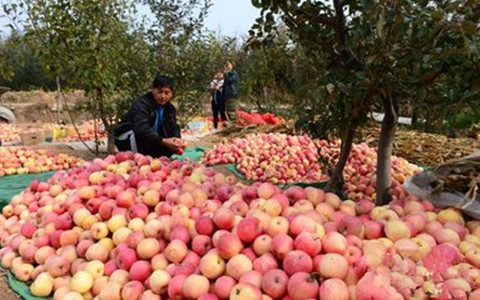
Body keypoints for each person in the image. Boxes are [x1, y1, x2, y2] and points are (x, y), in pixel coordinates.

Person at [114, 75, 183, 158]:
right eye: (160, 92)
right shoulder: (142, 104)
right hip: (129, 137)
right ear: (153, 90)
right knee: (139, 159)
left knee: (165, 148)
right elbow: (141, 128)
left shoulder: (169, 108)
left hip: (150, 139)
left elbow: (173, 126)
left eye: (167, 93)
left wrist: (177, 141)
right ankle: (137, 158)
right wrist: (163, 141)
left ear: (171, 94)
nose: (163, 96)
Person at [223, 60, 240, 124]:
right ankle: (232, 124)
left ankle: (234, 124)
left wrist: (226, 73)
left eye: (228, 64)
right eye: (226, 65)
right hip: (227, 94)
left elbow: (230, 80)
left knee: (231, 110)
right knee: (228, 110)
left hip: (232, 93)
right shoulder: (227, 74)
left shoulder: (234, 73)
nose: (227, 66)